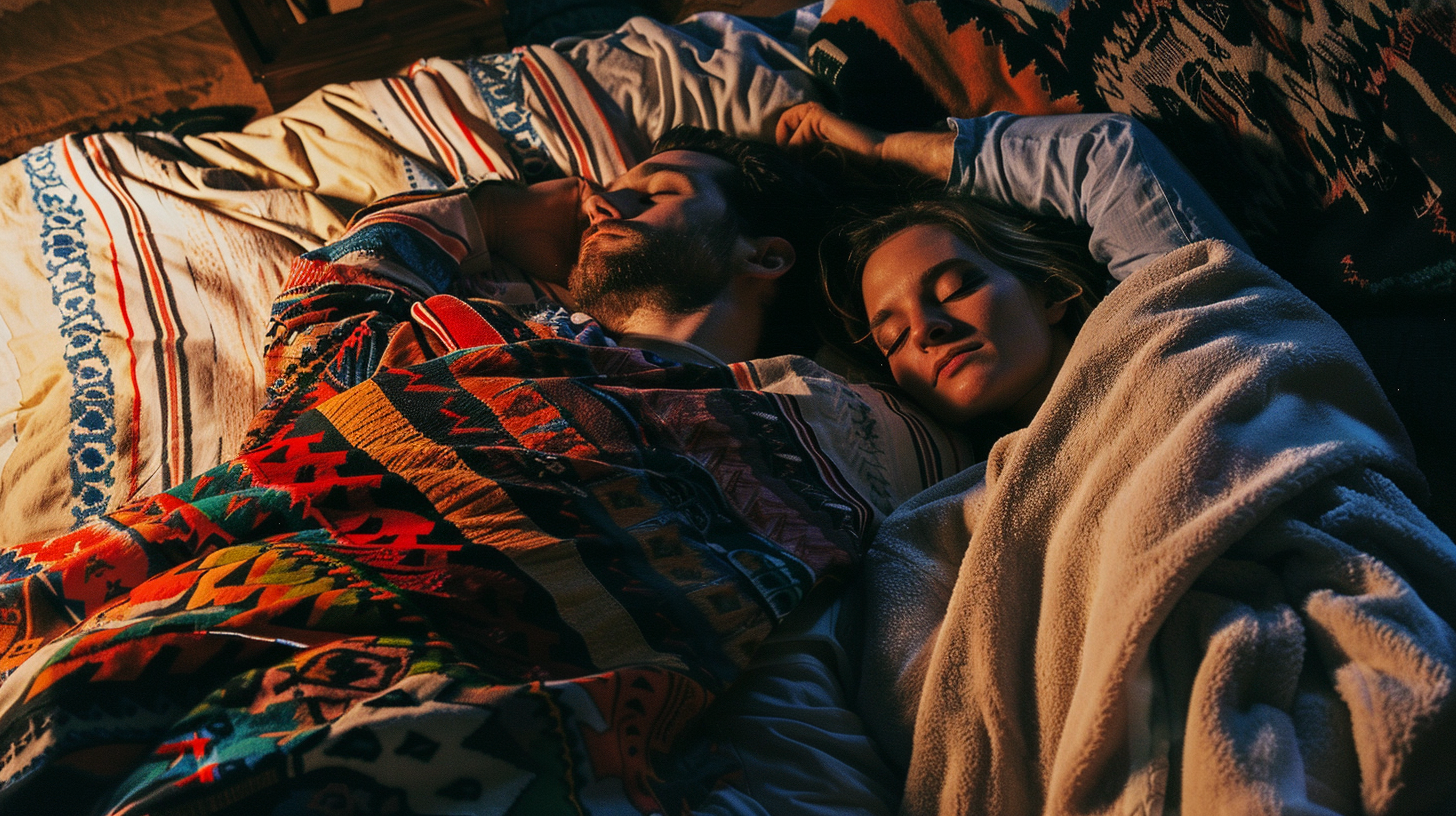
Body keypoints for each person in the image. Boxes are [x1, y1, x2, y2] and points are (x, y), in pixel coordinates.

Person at [0, 126, 968, 816]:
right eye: (611, 186)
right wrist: (502, 212)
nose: (612, 199)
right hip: (216, 604)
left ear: (764, 253)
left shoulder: (848, 421)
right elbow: (331, 297)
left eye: (661, 186)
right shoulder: (458, 333)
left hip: (493, 688)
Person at [778, 103, 1456, 815]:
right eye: (893, 338)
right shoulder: (946, 517)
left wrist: (883, 143)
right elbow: (933, 706)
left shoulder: (1171, 313)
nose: (931, 328)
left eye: (955, 288)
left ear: (1050, 291)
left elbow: (1107, 156)